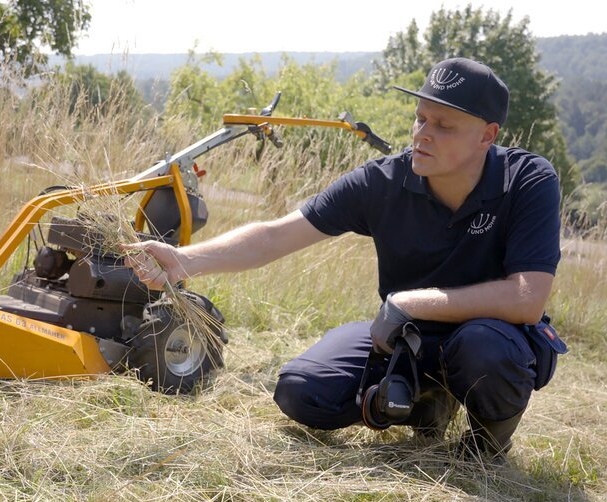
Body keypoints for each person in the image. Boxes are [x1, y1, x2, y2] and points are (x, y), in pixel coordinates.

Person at [124, 57, 564, 463]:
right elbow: (277, 234)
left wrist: (411, 302)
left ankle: (487, 443)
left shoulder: (528, 180)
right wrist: (185, 259)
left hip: (486, 339)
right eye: (420, 118)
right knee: (301, 392)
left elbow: (526, 298)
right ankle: (426, 402)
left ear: (488, 135)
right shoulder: (383, 182)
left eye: (444, 125)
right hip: (402, 336)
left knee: (486, 349)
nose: (422, 134)